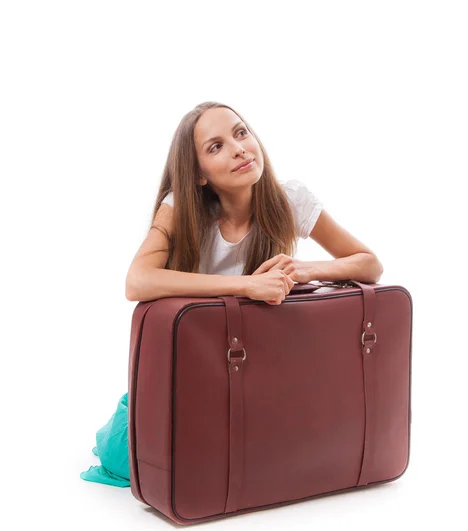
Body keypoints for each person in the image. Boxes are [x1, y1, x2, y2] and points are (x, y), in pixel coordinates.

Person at [80, 101, 383, 487]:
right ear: (199, 175)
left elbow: (369, 263)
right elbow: (137, 281)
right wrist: (245, 286)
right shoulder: (180, 209)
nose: (239, 148)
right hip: (200, 368)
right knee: (125, 457)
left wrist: (305, 268)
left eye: (241, 133)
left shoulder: (290, 199)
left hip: (265, 368)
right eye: (215, 146)